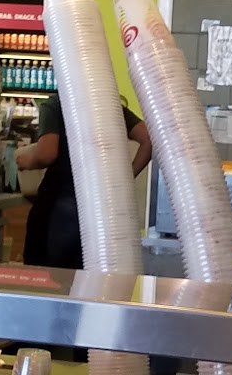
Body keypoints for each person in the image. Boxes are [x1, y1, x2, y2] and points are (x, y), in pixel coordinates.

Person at [15, 94, 152, 270]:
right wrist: (125, 178)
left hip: (60, 208)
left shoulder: (56, 104)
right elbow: (148, 140)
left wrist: (26, 161)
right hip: (103, 209)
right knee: (93, 277)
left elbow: (46, 154)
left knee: (49, 277)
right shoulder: (109, 104)